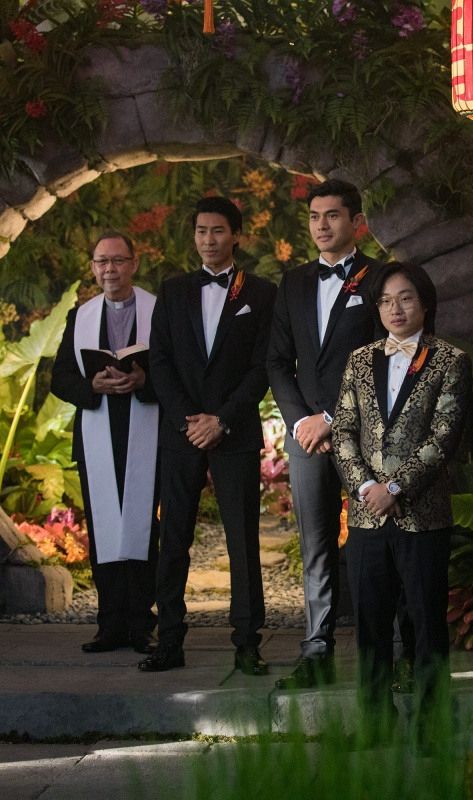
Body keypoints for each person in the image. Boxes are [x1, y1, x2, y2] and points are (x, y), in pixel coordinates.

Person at [139, 196, 277, 675]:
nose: (209, 239)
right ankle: (169, 640)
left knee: (243, 540)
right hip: (180, 435)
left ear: (236, 235)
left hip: (234, 433)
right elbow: (159, 362)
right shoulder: (173, 290)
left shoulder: (262, 293)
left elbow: (263, 366)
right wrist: (188, 421)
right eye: (201, 231)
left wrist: (222, 420)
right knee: (173, 537)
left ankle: (247, 644)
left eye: (218, 231)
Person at [332, 262, 472, 722]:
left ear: (425, 303)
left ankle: (433, 722)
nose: (396, 309)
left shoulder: (450, 360)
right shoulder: (359, 360)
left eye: (406, 298)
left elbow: (444, 436)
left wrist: (395, 486)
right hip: (367, 515)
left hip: (422, 514)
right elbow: (344, 431)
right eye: (386, 301)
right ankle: (375, 720)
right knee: (370, 624)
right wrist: (366, 486)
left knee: (427, 623)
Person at [266, 178, 384, 690]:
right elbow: (277, 361)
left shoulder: (380, 279)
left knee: (371, 545)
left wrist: (335, 418)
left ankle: (383, 654)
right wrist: (301, 422)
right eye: (314, 216)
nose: (321, 225)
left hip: (366, 437)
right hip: (306, 438)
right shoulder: (292, 282)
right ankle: (316, 652)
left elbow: (384, 358)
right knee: (314, 546)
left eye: (332, 215)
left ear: (356, 222)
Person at [50, 231, 159, 654]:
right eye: (101, 262)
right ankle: (109, 624)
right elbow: (60, 377)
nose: (109, 269)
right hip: (98, 429)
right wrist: (91, 385)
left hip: (146, 428)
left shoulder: (157, 311)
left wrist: (144, 380)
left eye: (117, 261)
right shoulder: (80, 317)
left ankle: (142, 623)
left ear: (134, 263)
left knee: (144, 527)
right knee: (104, 528)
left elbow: (176, 369)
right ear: (93, 268)